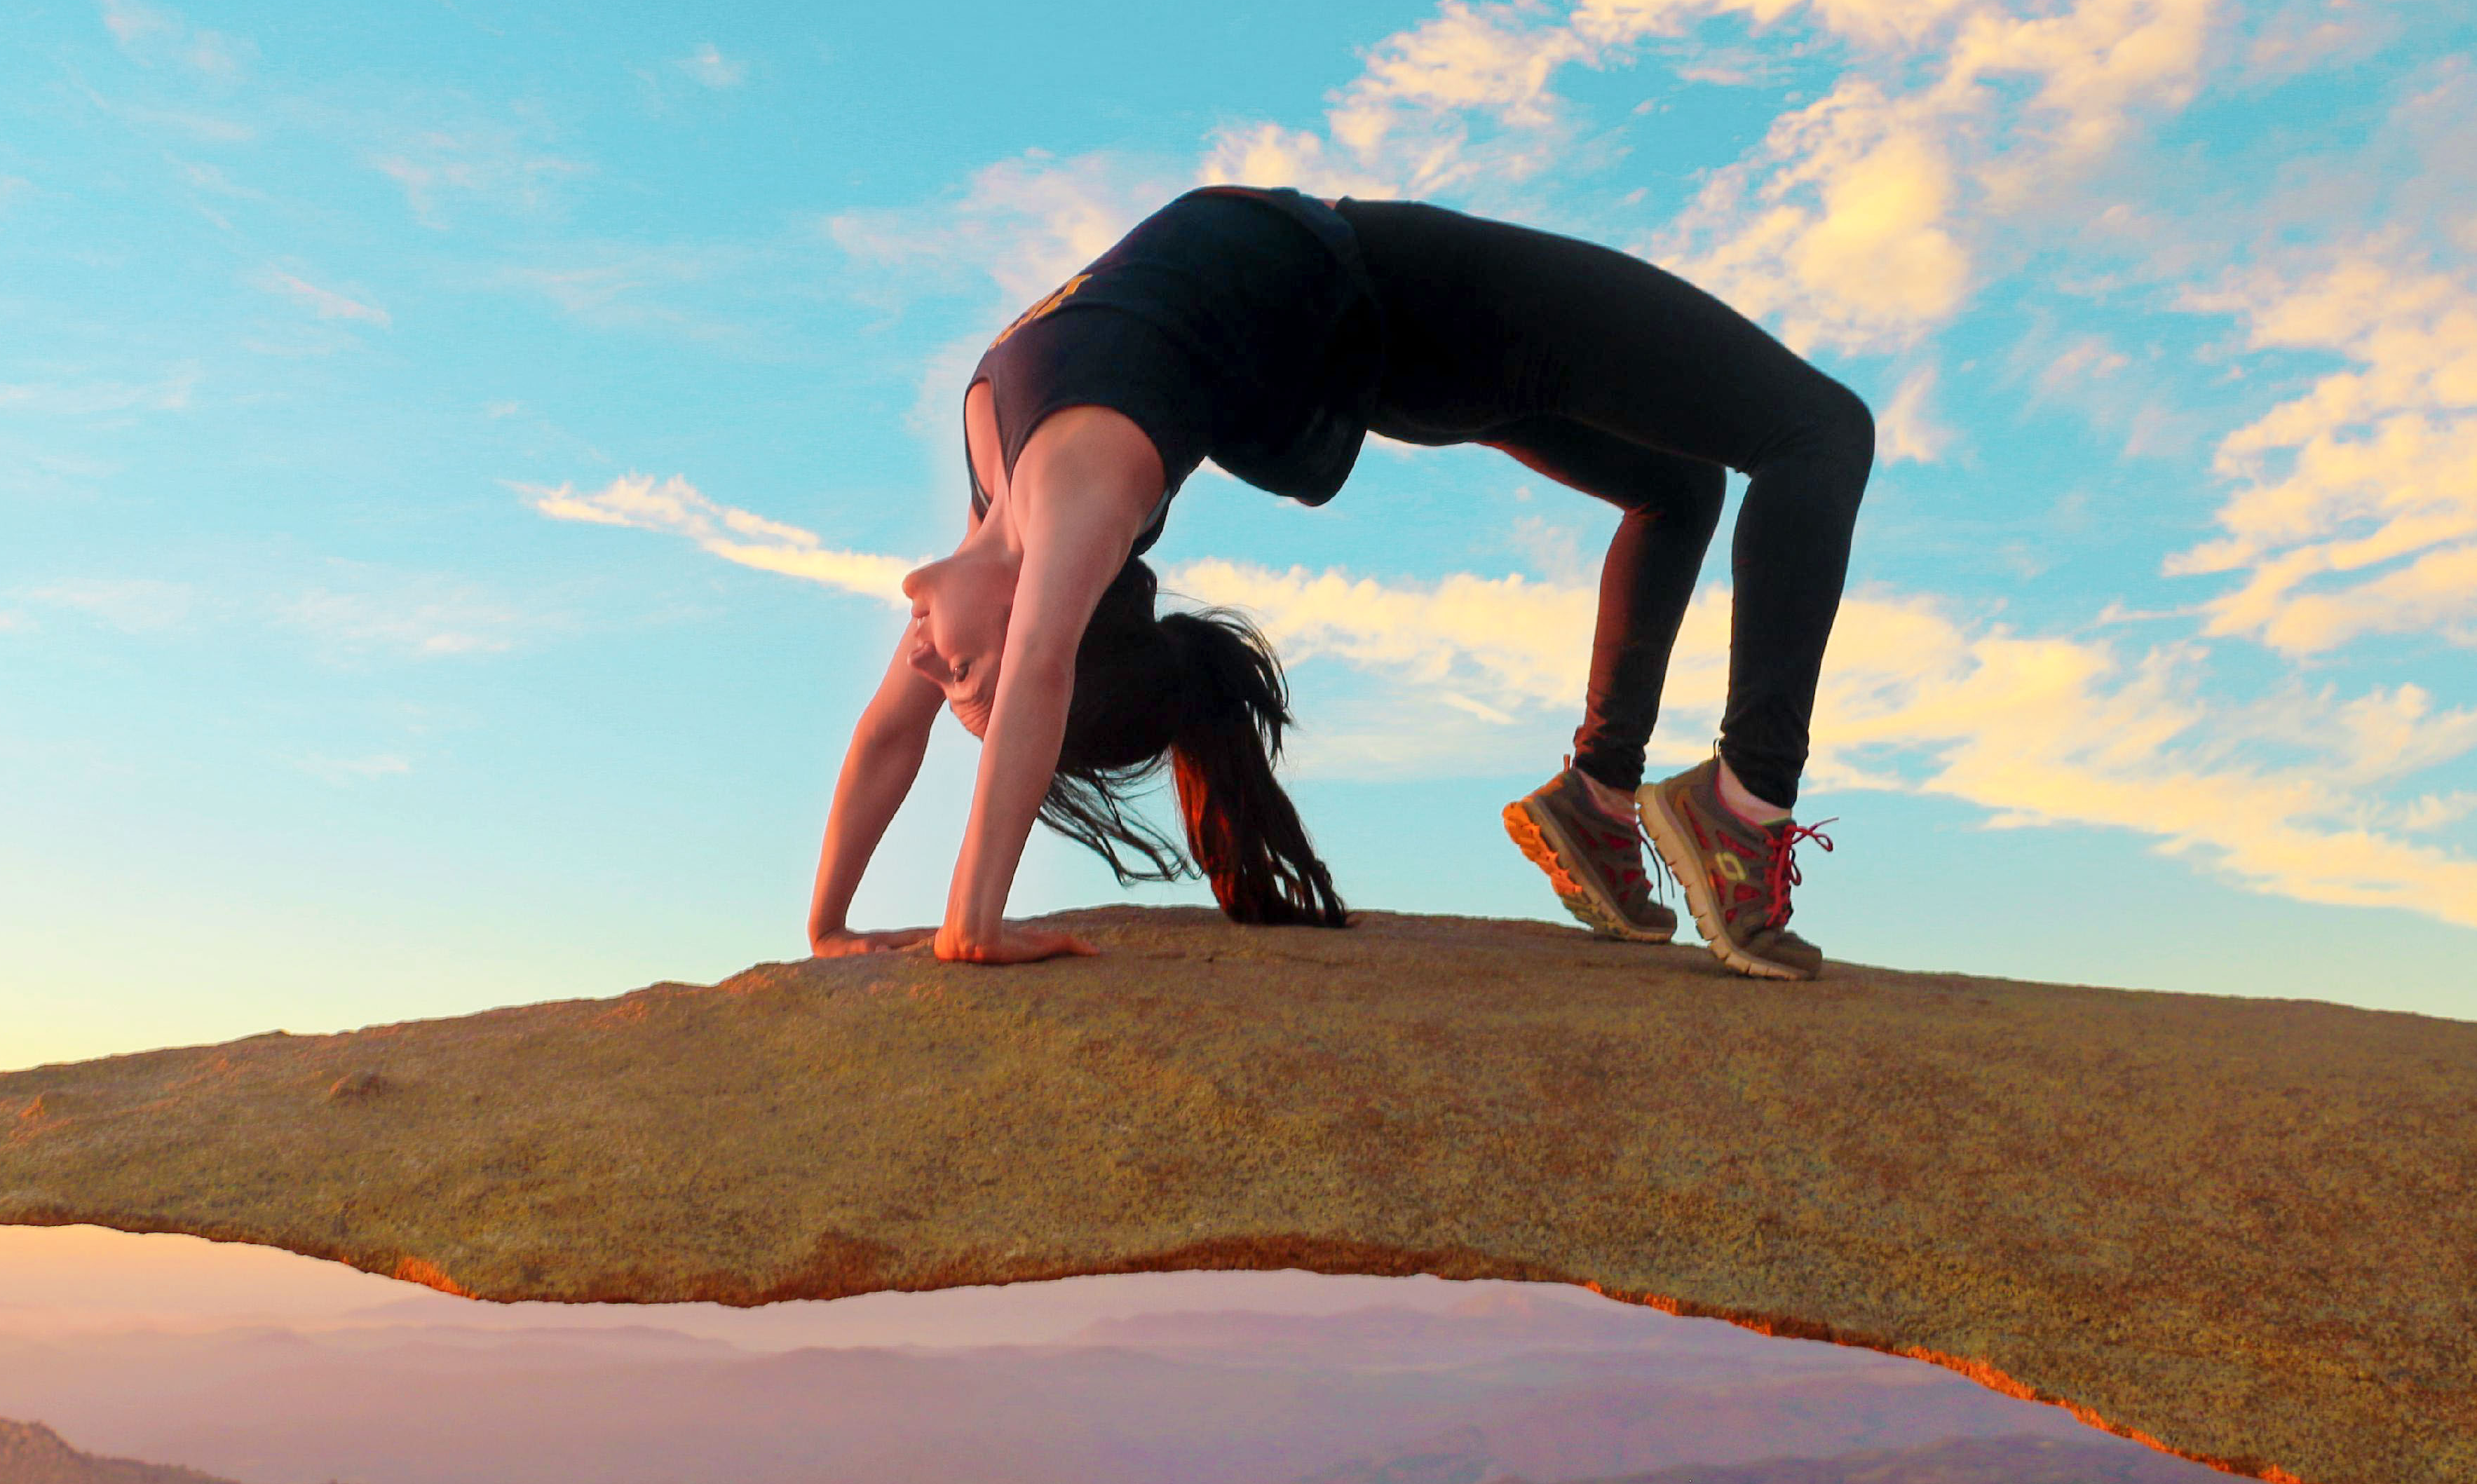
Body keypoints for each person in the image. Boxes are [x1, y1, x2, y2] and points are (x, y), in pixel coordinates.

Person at [801, 186, 1873, 979]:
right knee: (1817, 430)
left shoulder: (1003, 489)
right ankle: (1745, 808)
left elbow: (895, 728)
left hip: (1396, 339)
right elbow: (1032, 665)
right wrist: (971, 924)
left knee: (1676, 486)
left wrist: (829, 923)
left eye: (949, 686)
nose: (930, 665)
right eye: (963, 682)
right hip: (1424, 303)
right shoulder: (1083, 490)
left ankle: (1597, 799)